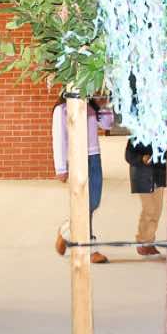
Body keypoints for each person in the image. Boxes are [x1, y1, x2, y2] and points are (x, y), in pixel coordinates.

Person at [52, 97, 113, 263]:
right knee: (84, 204)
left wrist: (103, 105)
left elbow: (108, 125)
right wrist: (61, 167)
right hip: (76, 157)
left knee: (93, 202)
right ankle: (90, 248)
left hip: (94, 157)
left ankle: (66, 231)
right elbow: (59, 138)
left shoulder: (92, 105)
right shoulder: (62, 108)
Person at [125, 137, 167, 258]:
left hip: (158, 175)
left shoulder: (162, 132)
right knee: (149, 209)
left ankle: (149, 241)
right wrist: (142, 158)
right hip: (142, 176)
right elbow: (128, 155)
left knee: (157, 210)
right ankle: (142, 241)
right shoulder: (137, 134)